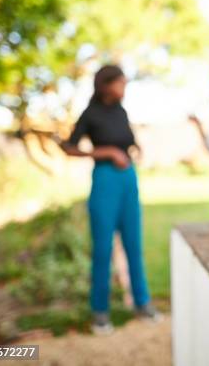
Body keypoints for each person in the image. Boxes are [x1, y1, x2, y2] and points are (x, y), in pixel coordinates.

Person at [63, 64, 162, 335]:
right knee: (103, 249)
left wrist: (135, 148)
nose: (124, 88)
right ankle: (100, 313)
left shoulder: (121, 110)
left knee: (134, 245)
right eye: (121, 83)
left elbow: (127, 139)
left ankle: (142, 304)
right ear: (106, 85)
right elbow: (69, 147)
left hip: (129, 180)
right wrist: (106, 152)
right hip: (105, 180)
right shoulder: (90, 113)